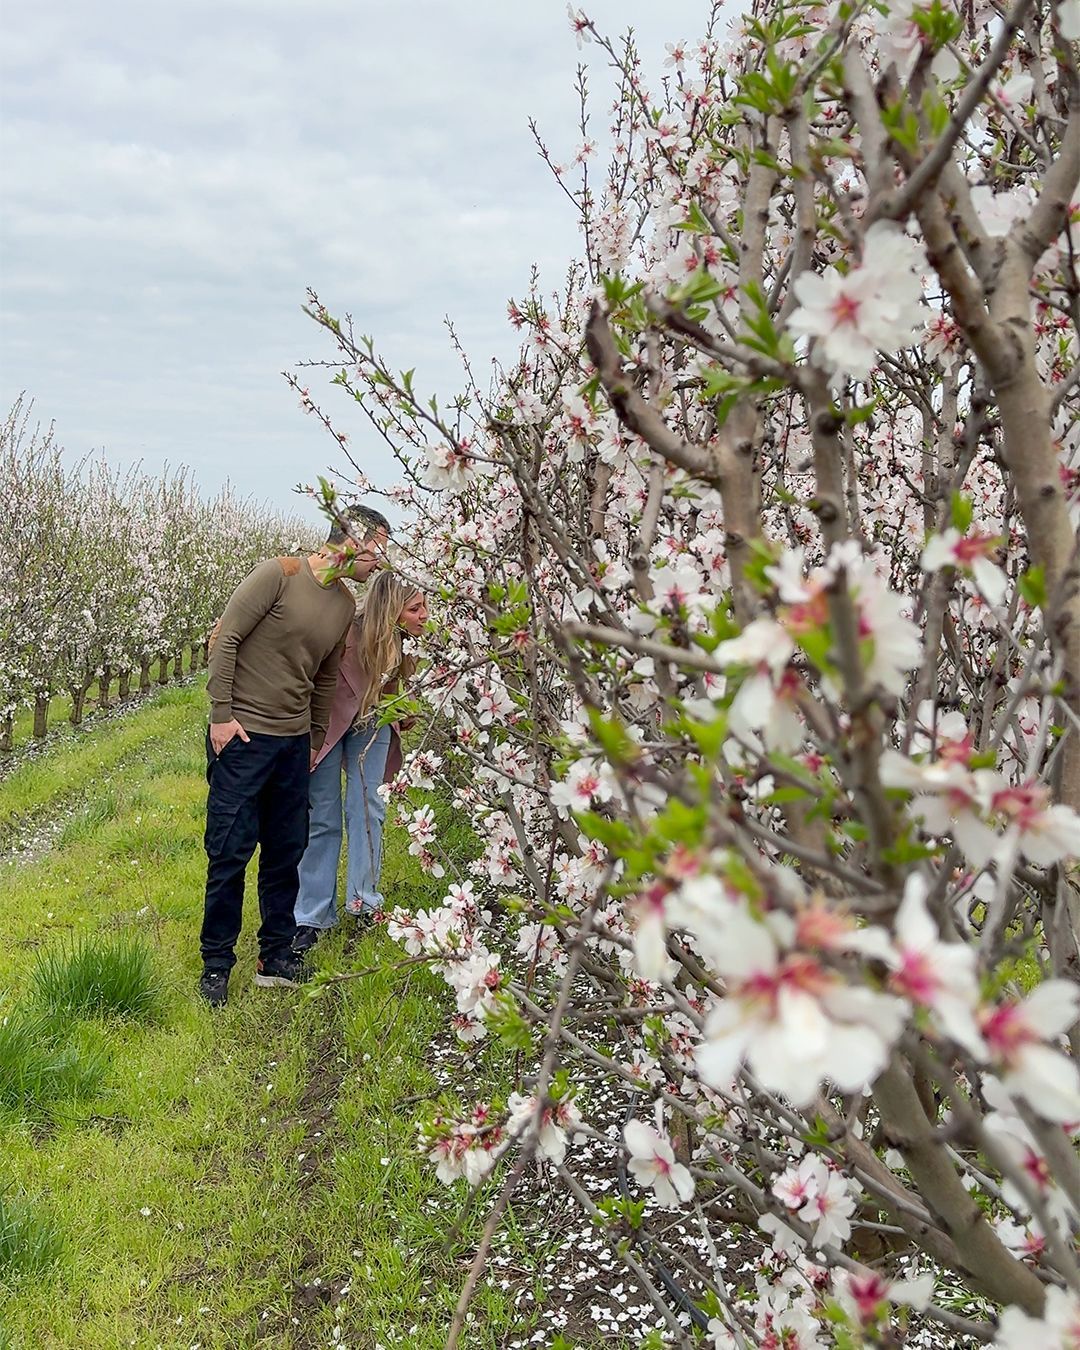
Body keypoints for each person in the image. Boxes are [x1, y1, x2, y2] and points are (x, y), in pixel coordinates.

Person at [198, 504, 390, 1008]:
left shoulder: (345, 606)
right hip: (242, 737)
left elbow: (326, 677)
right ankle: (216, 963)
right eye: (376, 551)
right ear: (350, 541)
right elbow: (227, 640)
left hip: (292, 743)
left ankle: (276, 956)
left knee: (286, 854)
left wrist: (313, 738)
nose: (379, 563)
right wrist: (221, 714)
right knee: (230, 852)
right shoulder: (277, 575)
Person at [292, 571, 427, 954]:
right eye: (415, 608)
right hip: (328, 722)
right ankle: (312, 916)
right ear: (391, 609)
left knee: (368, 807)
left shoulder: (406, 644)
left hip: (372, 721)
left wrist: (403, 708)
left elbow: (394, 687)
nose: (424, 616)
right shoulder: (346, 631)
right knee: (323, 816)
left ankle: (364, 903)